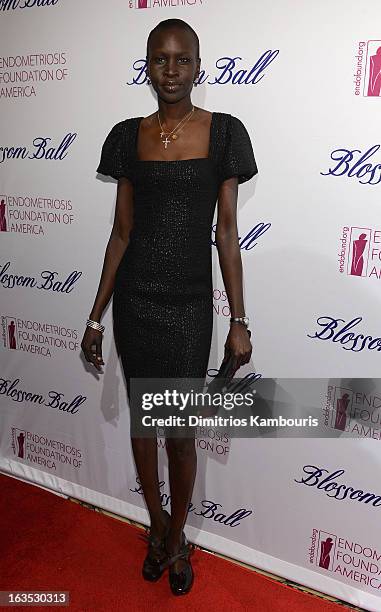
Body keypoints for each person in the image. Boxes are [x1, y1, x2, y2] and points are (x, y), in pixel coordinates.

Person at [81, 18, 258, 596]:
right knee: (142, 424)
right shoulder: (127, 136)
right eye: (161, 59)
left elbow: (226, 233)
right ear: (147, 66)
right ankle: (155, 528)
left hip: (187, 308)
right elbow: (121, 233)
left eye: (183, 60)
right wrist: (95, 313)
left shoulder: (224, 132)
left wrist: (238, 319)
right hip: (135, 303)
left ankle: (178, 535)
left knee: (178, 433)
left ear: (199, 67)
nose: (172, 70)